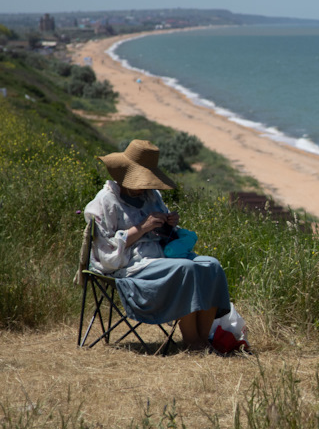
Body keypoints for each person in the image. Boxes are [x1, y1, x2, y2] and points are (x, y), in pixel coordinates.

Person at [84, 139, 247, 351]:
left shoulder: (153, 196)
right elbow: (106, 253)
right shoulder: (105, 201)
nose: (143, 186)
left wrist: (170, 225)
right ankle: (191, 341)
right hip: (130, 264)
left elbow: (164, 236)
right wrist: (142, 228)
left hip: (160, 257)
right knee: (185, 269)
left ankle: (202, 337)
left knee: (211, 265)